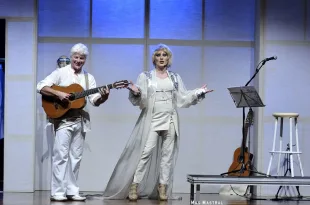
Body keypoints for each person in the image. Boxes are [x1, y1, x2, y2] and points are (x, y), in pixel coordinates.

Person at [103, 44, 213, 201]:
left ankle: (163, 187)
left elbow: (182, 97)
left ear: (169, 59)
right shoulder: (146, 76)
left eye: (165, 55)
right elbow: (141, 98)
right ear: (154, 58)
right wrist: (136, 91)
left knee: (167, 156)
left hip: (170, 119)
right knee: (145, 153)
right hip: (153, 118)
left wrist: (198, 92)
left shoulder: (174, 77)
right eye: (158, 55)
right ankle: (134, 186)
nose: (162, 57)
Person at [37, 43, 111, 201]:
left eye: (82, 58)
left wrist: (103, 97)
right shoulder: (60, 72)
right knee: (61, 156)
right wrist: (58, 93)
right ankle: (57, 192)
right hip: (63, 120)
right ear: (71, 57)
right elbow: (41, 86)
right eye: (76, 57)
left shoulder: (88, 78)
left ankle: (72, 190)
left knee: (75, 157)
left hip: (80, 120)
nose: (78, 60)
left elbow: (94, 100)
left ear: (85, 60)